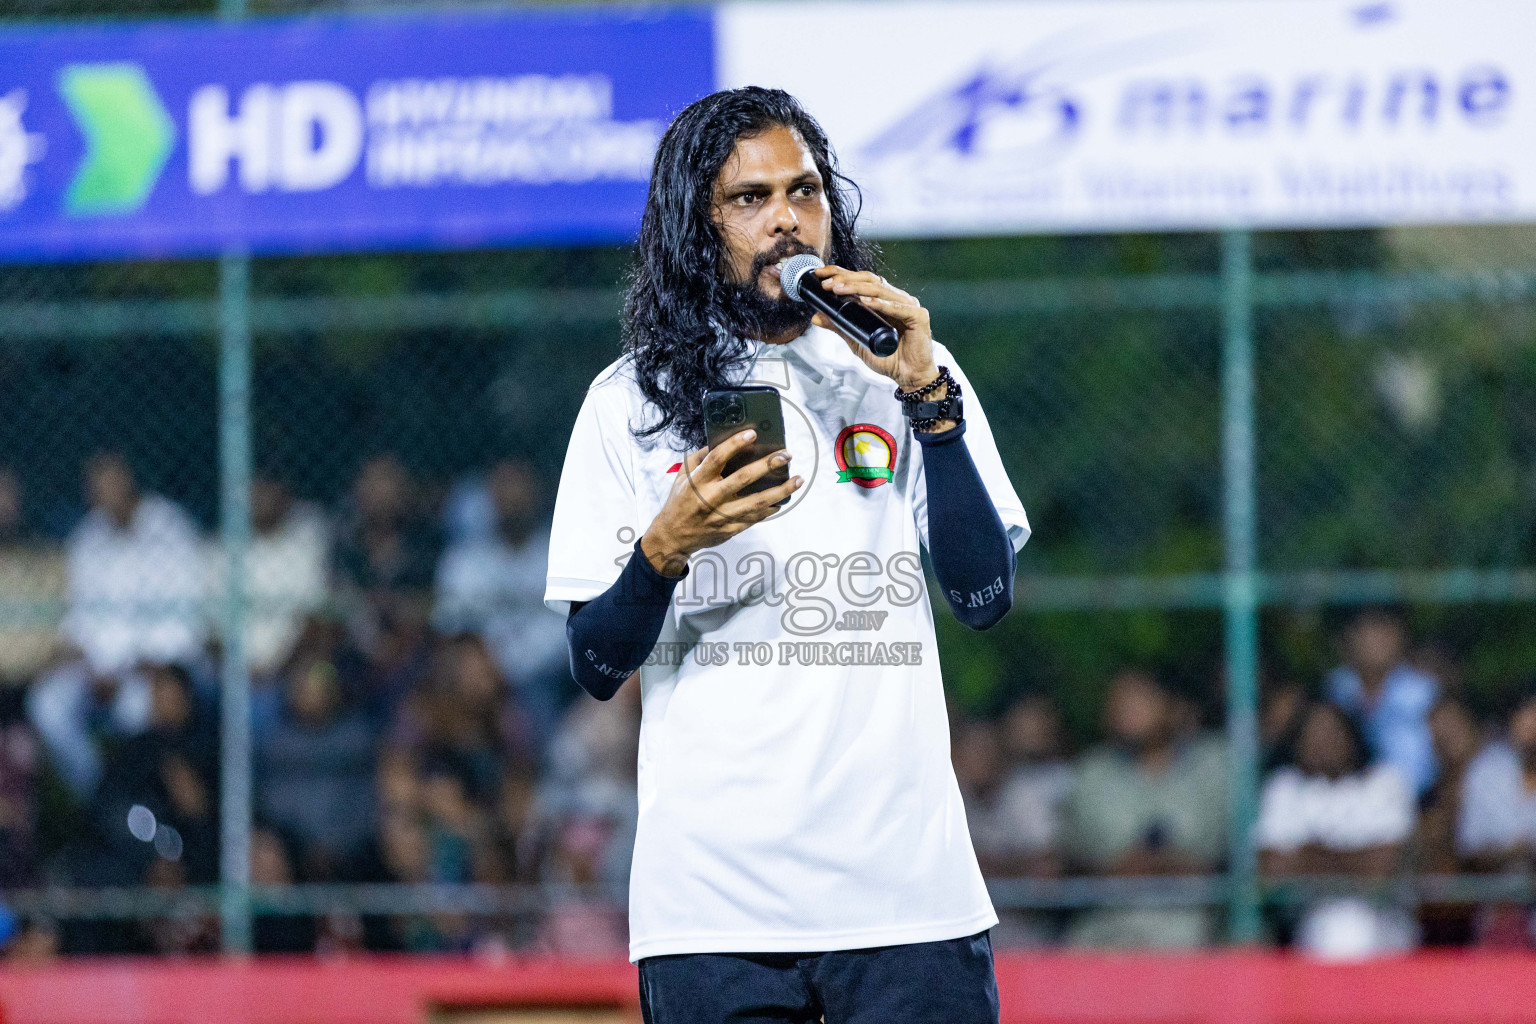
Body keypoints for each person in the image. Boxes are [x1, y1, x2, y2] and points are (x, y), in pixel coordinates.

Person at [545, 88, 1028, 1022]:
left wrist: (928, 399)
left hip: (904, 899)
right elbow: (596, 663)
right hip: (714, 915)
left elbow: (982, 596)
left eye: (804, 192)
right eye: (748, 199)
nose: (785, 219)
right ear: (696, 226)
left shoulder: (909, 372)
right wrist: (662, 552)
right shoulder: (629, 403)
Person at [1063, 667, 1228, 949]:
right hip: (1107, 920)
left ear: (1172, 707)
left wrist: (1155, 866)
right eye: (1119, 702)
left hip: (1191, 920)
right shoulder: (1091, 771)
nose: (1127, 710)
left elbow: (1219, 859)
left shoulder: (1214, 764)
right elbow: (1078, 861)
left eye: (1139, 699)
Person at [1256, 701, 1416, 957]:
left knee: (1352, 930)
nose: (1323, 743)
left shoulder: (1385, 782)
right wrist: (1354, 857)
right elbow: (1271, 870)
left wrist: (1309, 855)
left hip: (1383, 930)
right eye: (1313, 734)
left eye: (1332, 733)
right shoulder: (1284, 787)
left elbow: (1380, 872)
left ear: (1351, 736)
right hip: (1304, 931)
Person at [434, 460, 569, 749]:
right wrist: (487, 664)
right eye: (503, 490)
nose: (511, 499)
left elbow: (569, 629)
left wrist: (510, 666)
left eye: (519, 489)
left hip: (543, 677)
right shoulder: (465, 560)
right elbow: (451, 629)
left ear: (536, 495)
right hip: (476, 677)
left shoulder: (560, 553)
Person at [1325, 606, 1439, 797]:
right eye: (1367, 630)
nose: (1376, 640)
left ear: (1399, 636)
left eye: (1383, 629)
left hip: (1417, 801)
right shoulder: (1336, 688)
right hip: (1346, 803)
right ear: (1350, 637)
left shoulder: (1424, 691)